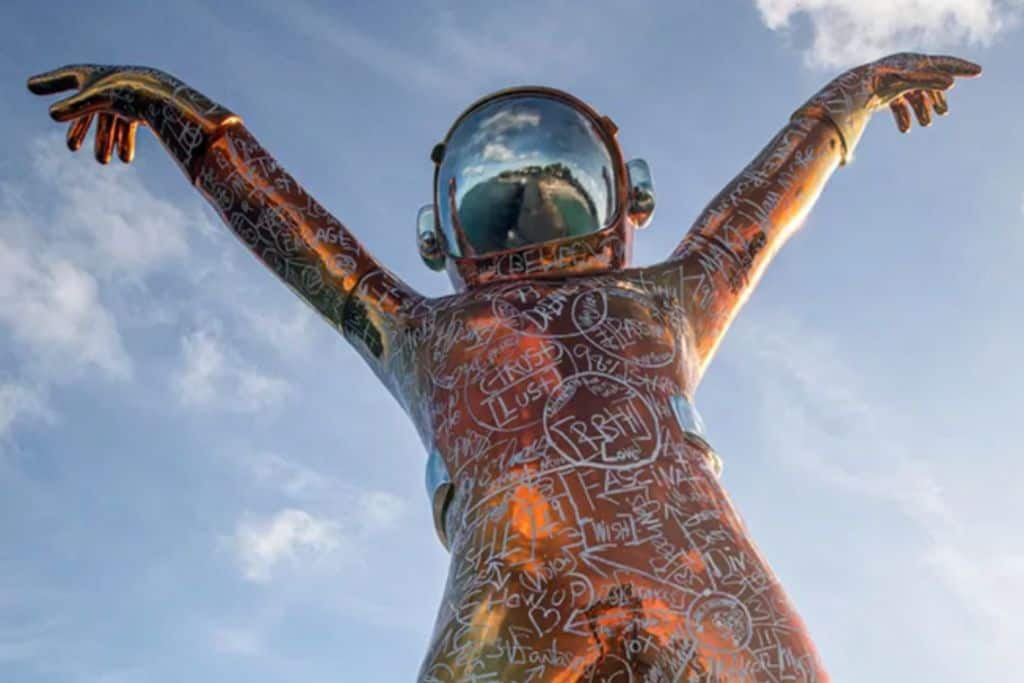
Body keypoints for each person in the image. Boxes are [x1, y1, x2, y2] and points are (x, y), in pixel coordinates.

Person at [27, 53, 980, 681]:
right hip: (674, 582)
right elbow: (292, 224)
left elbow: (756, 209)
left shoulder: (457, 325)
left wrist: (851, 97)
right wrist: (174, 110)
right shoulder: (456, 327)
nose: (527, 216)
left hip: (530, 599)